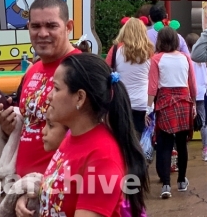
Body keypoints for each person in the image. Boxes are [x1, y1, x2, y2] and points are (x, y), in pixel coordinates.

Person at [39, 54, 148, 217]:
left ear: (80, 97)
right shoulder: (71, 137)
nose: (49, 96)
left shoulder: (102, 158)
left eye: (56, 88)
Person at [0, 0, 82, 187]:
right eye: (36, 26)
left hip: (62, 188)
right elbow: (28, 124)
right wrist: (8, 125)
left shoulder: (82, 69)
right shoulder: (32, 70)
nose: (42, 33)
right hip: (22, 186)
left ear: (68, 27)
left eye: (51, 26)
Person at [147, 26, 197, 199]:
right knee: (182, 144)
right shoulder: (185, 57)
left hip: (165, 101)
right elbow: (192, 83)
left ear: (159, 41)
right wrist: (194, 103)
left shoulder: (156, 59)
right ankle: (181, 180)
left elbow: (152, 86)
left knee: (165, 145)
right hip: (184, 101)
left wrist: (148, 108)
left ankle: (166, 185)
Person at [106, 17, 153, 135]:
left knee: (122, 137)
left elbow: (106, 71)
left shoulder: (116, 49)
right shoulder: (150, 52)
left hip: (122, 101)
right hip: (143, 103)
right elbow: (154, 79)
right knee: (140, 139)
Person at [185, 32, 207, 162]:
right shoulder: (203, 59)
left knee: (185, 122)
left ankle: (182, 148)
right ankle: (206, 149)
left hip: (189, 93)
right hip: (201, 93)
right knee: (203, 123)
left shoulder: (187, 58)